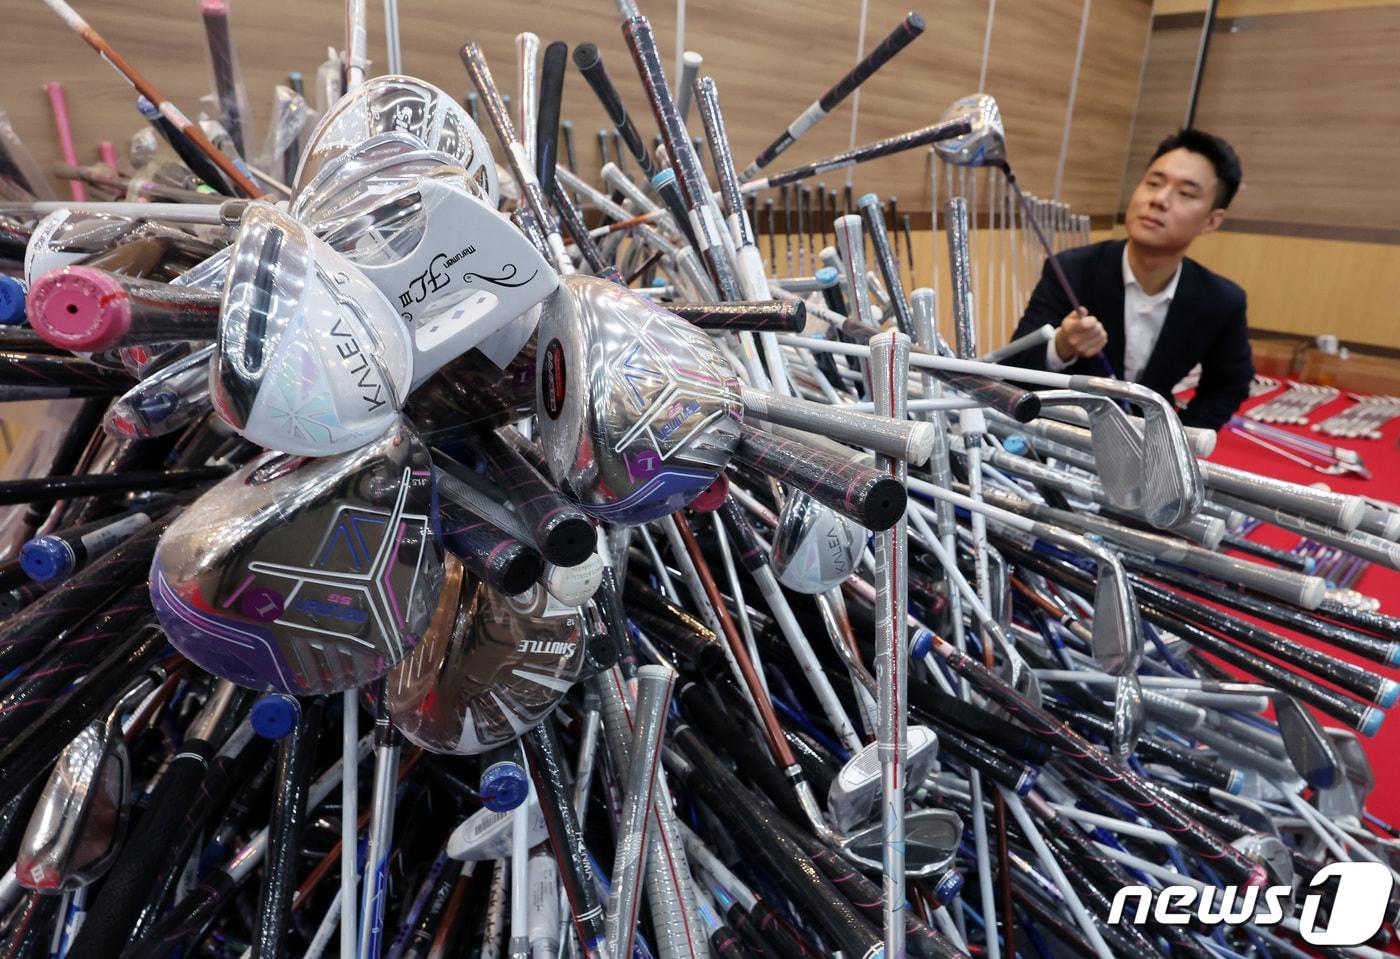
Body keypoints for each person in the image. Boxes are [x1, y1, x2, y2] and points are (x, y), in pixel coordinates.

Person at [1005, 129, 1253, 430]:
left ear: (1212, 221)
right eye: (1153, 183)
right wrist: (1062, 345)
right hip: (1064, 438)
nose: (1159, 200)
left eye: (1185, 193)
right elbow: (1012, 371)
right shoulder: (1071, 269)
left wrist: (1174, 439)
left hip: (1149, 454)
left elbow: (1228, 387)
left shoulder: (1222, 301)